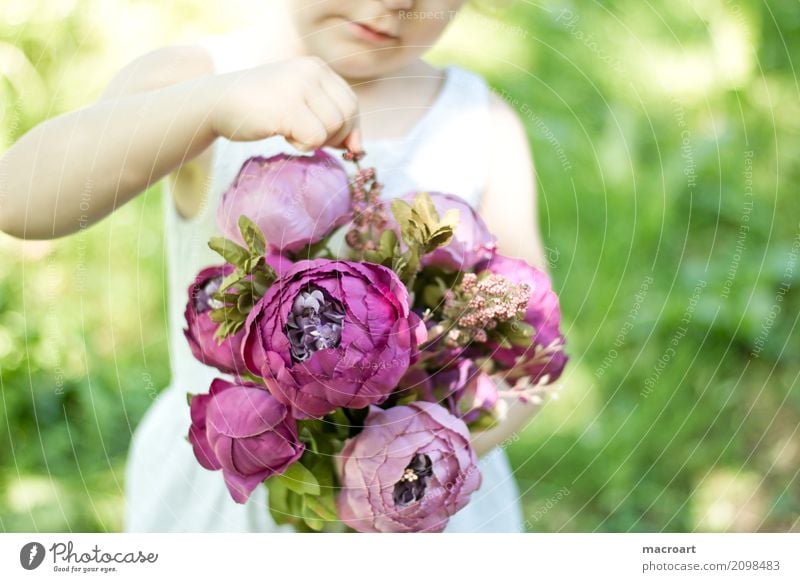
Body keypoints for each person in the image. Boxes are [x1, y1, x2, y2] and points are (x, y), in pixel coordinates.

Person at [0, 0, 548, 532]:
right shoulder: (199, 77)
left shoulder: (480, 123)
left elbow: (531, 347)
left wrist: (412, 459)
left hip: (411, 504)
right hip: (229, 491)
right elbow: (20, 198)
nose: (394, 2)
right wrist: (211, 106)